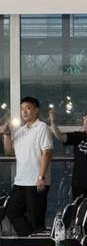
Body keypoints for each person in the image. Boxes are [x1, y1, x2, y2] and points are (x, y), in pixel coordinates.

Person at [1, 97, 53, 236]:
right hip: (21, 180)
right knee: (12, 212)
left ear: (36, 110)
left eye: (28, 108)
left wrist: (41, 177)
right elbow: (9, 151)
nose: (24, 111)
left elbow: (47, 152)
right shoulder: (20, 130)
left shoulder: (42, 127)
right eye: (22, 109)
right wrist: (6, 134)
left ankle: (37, 244)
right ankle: (29, 239)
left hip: (36, 181)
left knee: (36, 219)